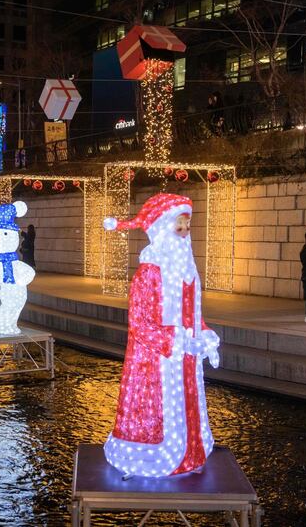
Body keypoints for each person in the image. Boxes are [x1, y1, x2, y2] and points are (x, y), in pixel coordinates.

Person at [102, 193, 220, 477]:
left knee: (187, 405)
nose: (183, 233)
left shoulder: (188, 271)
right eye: (177, 226)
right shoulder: (149, 273)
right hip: (155, 362)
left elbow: (192, 312)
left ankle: (191, 451)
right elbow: (139, 323)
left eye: (186, 226)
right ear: (161, 229)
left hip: (186, 361)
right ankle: (152, 457)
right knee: (160, 413)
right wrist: (177, 341)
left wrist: (204, 334)